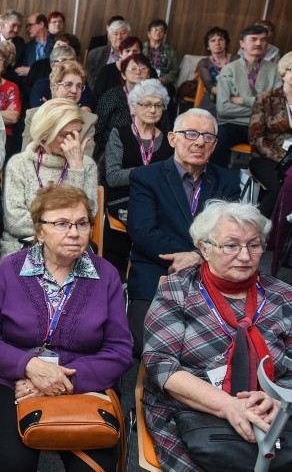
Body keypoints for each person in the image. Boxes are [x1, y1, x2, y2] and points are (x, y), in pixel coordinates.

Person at [0, 184, 133, 472]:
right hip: (11, 382)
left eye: (82, 223)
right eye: (62, 223)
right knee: (13, 463)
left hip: (82, 383)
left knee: (95, 466)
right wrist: (29, 367)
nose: (74, 232)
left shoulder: (106, 275)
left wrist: (61, 383)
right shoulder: (10, 269)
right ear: (40, 231)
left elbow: (119, 350)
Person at [143, 200, 292, 471]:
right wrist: (228, 406)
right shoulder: (177, 291)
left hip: (274, 414)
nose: (245, 256)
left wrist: (277, 399)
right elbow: (160, 365)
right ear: (205, 248)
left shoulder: (283, 296)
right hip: (192, 414)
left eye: (254, 244)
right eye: (231, 245)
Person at [126, 108, 240, 355]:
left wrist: (199, 258)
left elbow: (232, 235)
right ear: (172, 138)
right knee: (148, 343)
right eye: (190, 134)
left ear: (215, 144)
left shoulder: (227, 182)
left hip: (211, 272)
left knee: (221, 343)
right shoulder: (146, 177)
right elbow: (142, 231)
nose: (200, 142)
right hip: (158, 268)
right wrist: (187, 255)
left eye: (208, 136)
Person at [0, 98, 97, 256]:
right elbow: (15, 221)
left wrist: (76, 169)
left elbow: (85, 219)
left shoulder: (86, 165)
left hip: (72, 247)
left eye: (76, 133)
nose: (72, 141)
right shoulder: (19, 164)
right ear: (44, 134)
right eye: (64, 135)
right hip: (25, 245)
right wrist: (61, 227)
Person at [105, 79, 173, 221]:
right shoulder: (119, 134)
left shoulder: (169, 139)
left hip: (157, 200)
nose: (153, 110)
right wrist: (149, 173)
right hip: (125, 199)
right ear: (133, 107)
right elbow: (113, 177)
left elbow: (170, 177)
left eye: (158, 105)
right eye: (147, 104)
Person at [213, 25, 281, 168]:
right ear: (242, 43)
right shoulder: (229, 69)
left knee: (281, 147)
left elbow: (277, 106)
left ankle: (267, 187)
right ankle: (218, 184)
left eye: (263, 40)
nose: (258, 43)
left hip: (265, 126)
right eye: (253, 39)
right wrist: (261, 109)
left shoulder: (275, 70)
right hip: (235, 124)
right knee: (217, 139)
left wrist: (243, 101)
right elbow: (223, 108)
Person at [95, 53, 172, 161]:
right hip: (113, 150)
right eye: (133, 68)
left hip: (150, 151)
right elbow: (98, 130)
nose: (138, 72)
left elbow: (165, 131)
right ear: (123, 74)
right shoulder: (111, 97)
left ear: (149, 73)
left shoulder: (158, 98)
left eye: (142, 68)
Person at [247, 51, 292, 218]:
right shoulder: (266, 99)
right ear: (283, 72)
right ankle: (259, 230)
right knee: (281, 188)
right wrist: (284, 158)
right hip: (267, 158)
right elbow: (255, 138)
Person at [23, 61, 97, 158]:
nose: (74, 90)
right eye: (68, 84)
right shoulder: (33, 115)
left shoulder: (89, 119)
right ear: (53, 88)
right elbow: (26, 155)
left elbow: (85, 161)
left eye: (79, 86)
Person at [93, 36, 152, 103]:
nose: (131, 54)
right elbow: (97, 97)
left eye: (135, 51)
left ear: (141, 53)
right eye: (127, 51)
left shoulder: (148, 70)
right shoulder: (106, 70)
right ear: (120, 53)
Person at [196, 27, 238, 117]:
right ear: (208, 46)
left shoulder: (236, 59)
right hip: (213, 97)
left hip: (235, 96)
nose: (217, 43)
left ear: (226, 43)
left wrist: (234, 98)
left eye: (221, 40)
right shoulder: (204, 62)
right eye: (213, 40)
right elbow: (209, 86)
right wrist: (226, 96)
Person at [86, 19, 131, 89]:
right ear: (109, 37)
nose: (119, 37)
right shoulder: (95, 54)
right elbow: (90, 78)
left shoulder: (134, 55)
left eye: (123, 33)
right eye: (115, 34)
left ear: (129, 36)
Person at [142, 19, 178, 87]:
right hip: (144, 81)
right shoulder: (141, 48)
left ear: (164, 34)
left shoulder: (170, 50)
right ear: (149, 33)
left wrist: (165, 79)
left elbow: (174, 70)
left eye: (161, 30)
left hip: (163, 82)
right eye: (155, 30)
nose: (158, 32)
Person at [16, 12, 53, 77]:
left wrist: (32, 71)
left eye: (30, 25)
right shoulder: (27, 47)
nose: (28, 29)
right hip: (32, 85)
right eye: (27, 26)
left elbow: (59, 68)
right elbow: (23, 69)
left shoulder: (57, 42)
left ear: (41, 24)